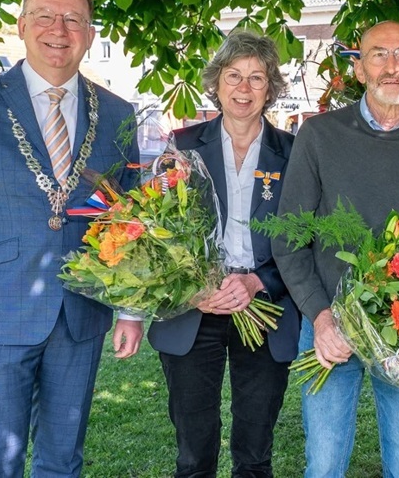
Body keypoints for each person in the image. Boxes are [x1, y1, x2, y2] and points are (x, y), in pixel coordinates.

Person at [0, 0, 142, 476]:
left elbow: (128, 219)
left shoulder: (118, 114)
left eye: (73, 19)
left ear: (89, 32)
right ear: (21, 25)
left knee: (63, 460)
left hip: (80, 314)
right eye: (44, 15)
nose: (58, 29)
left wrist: (130, 309)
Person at [272, 21, 399, 478]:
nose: (392, 66)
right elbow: (288, 238)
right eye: (378, 54)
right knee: (323, 464)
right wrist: (320, 319)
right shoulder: (319, 136)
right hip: (329, 328)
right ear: (358, 69)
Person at [147, 32, 301, 477]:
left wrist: (258, 281)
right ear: (216, 83)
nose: (244, 88)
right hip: (194, 310)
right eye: (234, 76)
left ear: (270, 88)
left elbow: (305, 239)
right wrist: (194, 287)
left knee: (255, 451)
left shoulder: (292, 153)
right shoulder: (182, 145)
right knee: (193, 453)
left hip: (265, 308)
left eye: (257, 78)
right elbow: (156, 231)